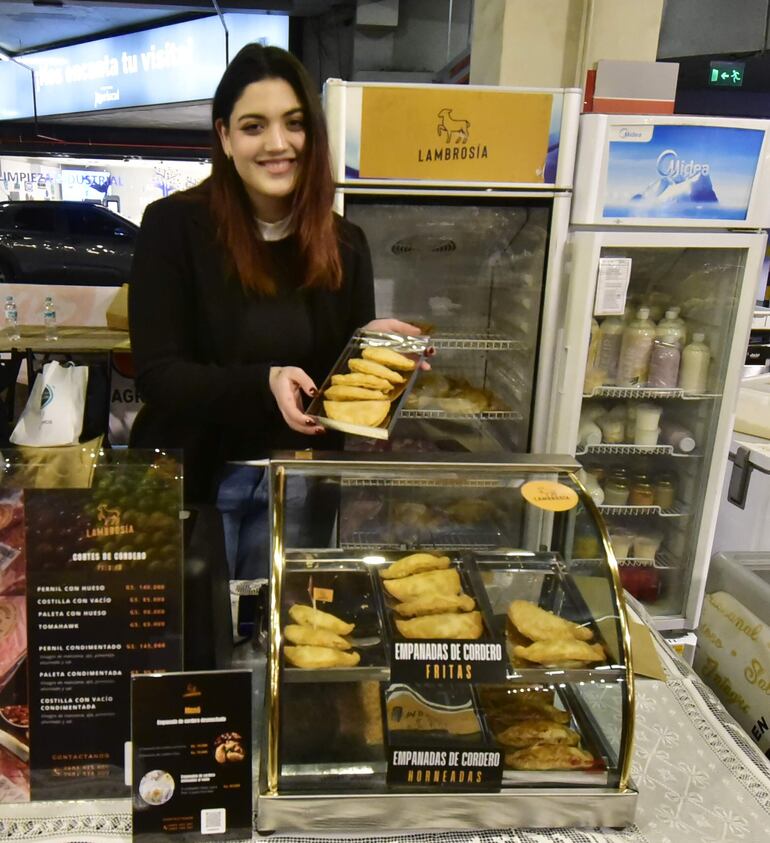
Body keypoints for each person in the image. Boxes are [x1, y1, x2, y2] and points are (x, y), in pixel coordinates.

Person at [129, 43, 423, 580]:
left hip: (299, 484)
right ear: (224, 137)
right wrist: (265, 383)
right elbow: (158, 376)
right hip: (193, 481)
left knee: (277, 643)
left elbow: (333, 392)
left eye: (293, 123)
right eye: (253, 126)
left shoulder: (344, 243)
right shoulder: (174, 227)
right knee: (201, 647)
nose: (277, 144)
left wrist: (368, 350)